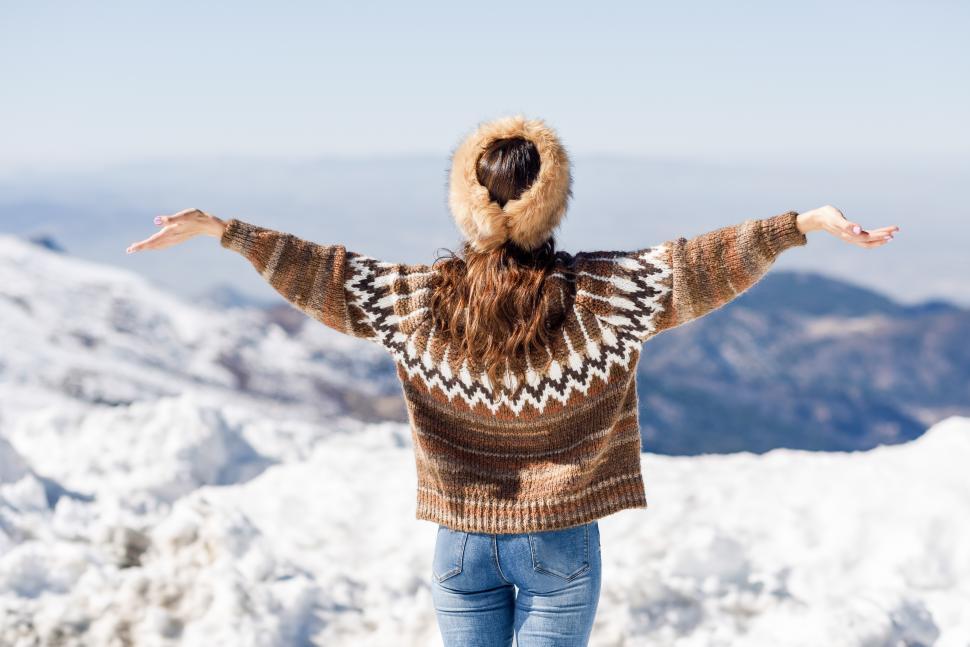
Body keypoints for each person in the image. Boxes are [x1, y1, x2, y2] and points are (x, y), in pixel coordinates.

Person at [126, 114, 898, 646]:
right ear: (550, 202)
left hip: (460, 542)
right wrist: (802, 224)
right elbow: (704, 260)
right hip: (560, 539)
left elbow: (322, 273)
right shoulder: (609, 295)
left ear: (467, 202)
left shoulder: (415, 300)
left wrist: (227, 232)